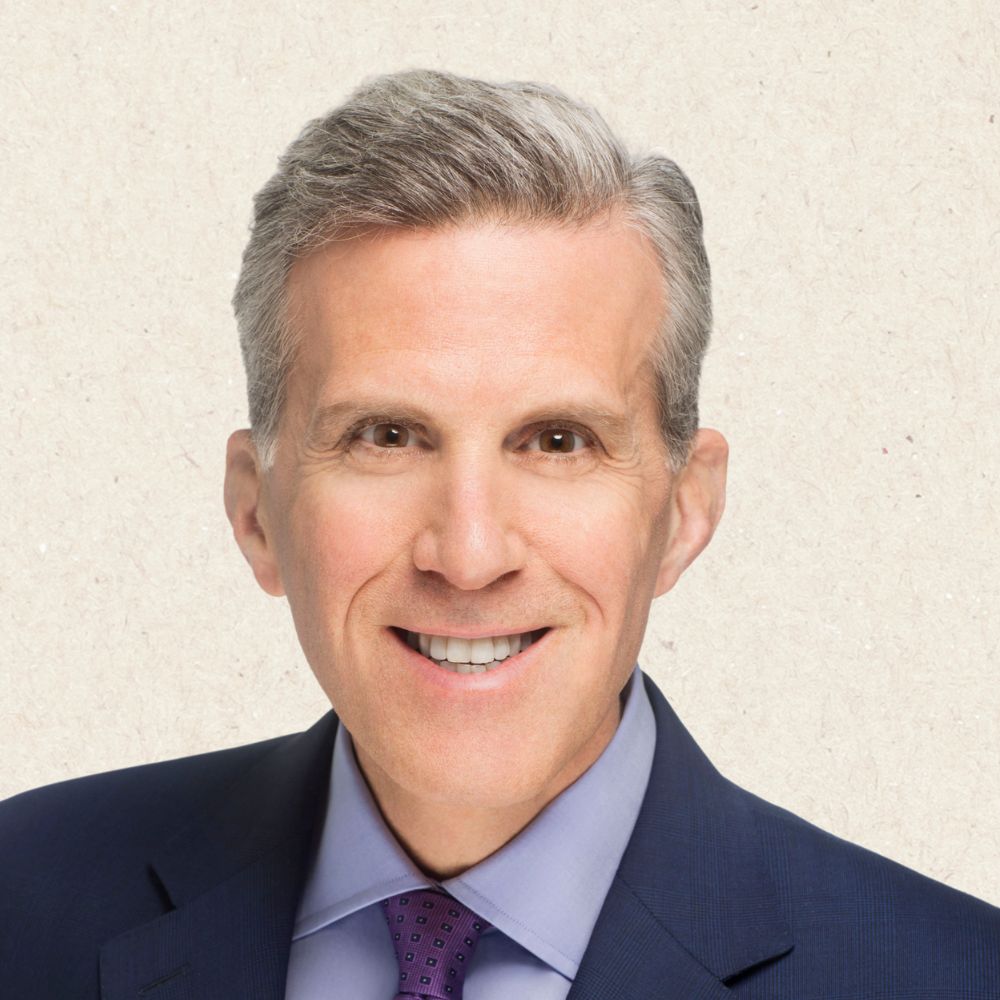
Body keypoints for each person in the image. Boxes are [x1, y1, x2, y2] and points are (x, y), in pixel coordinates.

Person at [1, 69, 997, 1000]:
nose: (468, 555)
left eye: (557, 441)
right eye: (386, 436)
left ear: (685, 509)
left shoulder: (948, 974)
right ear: (256, 511)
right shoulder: (23, 899)